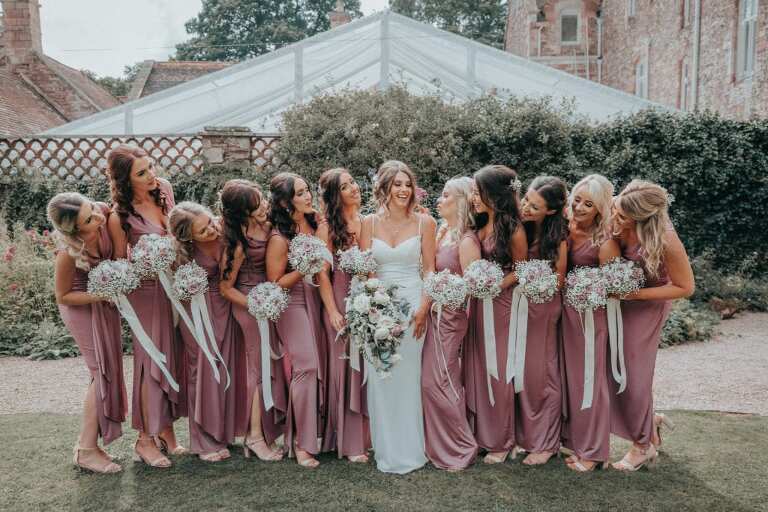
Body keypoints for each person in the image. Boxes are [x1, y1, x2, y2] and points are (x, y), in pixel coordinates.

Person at [106, 145, 186, 468]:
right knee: (150, 362)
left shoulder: (163, 190)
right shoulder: (119, 216)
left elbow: (178, 233)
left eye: (151, 166)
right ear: (126, 181)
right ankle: (144, 439)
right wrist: (146, 262)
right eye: (142, 173)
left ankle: (166, 431)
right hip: (145, 291)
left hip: (173, 287)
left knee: (172, 355)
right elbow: (117, 264)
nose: (151, 174)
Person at [610, 180, 695, 471]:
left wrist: (635, 295)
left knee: (634, 375)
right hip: (619, 303)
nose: (615, 218)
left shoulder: (666, 239)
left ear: (643, 219)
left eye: (622, 216)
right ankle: (650, 422)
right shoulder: (618, 213)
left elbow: (685, 287)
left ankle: (642, 447)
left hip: (648, 306)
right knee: (614, 369)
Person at [358, 160, 436, 474]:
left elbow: (430, 268)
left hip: (414, 302)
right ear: (385, 187)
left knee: (408, 378)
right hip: (378, 306)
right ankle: (386, 449)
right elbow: (366, 268)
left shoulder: (424, 224)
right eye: (397, 184)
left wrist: (424, 307)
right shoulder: (368, 223)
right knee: (381, 377)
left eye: (408, 184)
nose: (403, 190)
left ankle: (411, 450)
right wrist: (373, 308)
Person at [49, 193, 127, 474]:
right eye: (88, 219)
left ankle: (92, 444)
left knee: (107, 368)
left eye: (92, 208)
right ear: (75, 230)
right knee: (100, 371)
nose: (98, 217)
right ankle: (86, 450)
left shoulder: (105, 212)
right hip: (81, 306)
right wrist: (102, 294)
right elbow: (63, 295)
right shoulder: (68, 253)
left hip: (104, 300)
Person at [462, 165, 528, 464]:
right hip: (478, 304)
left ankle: (502, 440)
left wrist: (495, 286)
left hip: (501, 305)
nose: (474, 197)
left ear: (495, 195)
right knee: (478, 368)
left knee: (500, 370)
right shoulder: (477, 226)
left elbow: (522, 269)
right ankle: (482, 435)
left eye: (479, 192)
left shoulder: (513, 229)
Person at [219, 180, 285, 461]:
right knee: (258, 372)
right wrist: (256, 304)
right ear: (242, 212)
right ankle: (254, 437)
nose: (264, 206)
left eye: (262, 200)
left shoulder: (267, 224)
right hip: (248, 304)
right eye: (257, 205)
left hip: (268, 299)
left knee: (268, 368)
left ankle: (261, 433)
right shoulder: (237, 242)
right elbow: (225, 287)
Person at [265, 172, 327, 469]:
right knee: (306, 367)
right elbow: (274, 283)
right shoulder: (279, 237)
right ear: (287, 201)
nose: (308, 196)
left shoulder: (314, 222)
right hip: (292, 303)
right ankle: (303, 444)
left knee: (319, 367)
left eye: (308, 190)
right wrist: (304, 267)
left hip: (317, 300)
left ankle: (314, 436)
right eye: (301, 193)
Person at [169, 202, 237, 462]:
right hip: (195, 308)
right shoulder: (179, 252)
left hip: (222, 305)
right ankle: (203, 440)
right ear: (188, 237)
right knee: (202, 368)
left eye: (210, 222)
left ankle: (223, 432)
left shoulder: (224, 233)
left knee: (224, 367)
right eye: (203, 229)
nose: (211, 229)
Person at [560, 174, 619, 472]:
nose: (580, 207)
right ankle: (576, 440)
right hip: (564, 314)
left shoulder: (605, 240)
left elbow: (613, 286)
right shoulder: (564, 227)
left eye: (589, 204)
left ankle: (595, 452)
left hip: (590, 317)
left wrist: (591, 289)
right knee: (570, 379)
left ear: (600, 208)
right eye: (577, 200)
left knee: (590, 382)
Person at [421, 177, 479, 471]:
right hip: (434, 316)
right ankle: (439, 443)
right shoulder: (444, 231)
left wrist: (444, 291)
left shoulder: (467, 240)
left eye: (445, 195)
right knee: (435, 381)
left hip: (451, 318)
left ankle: (461, 446)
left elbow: (471, 285)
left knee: (439, 381)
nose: (439, 200)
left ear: (461, 201)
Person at [316, 168, 370, 463]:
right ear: (335, 196)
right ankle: (347, 443)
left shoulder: (367, 221)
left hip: (367, 297)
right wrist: (333, 311)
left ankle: (364, 436)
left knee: (364, 368)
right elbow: (322, 274)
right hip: (338, 297)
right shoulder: (327, 227)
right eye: (345, 186)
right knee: (344, 369)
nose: (353, 188)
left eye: (353, 182)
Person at [515, 176, 568, 465]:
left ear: (550, 211)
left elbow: (559, 279)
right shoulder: (522, 227)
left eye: (534, 206)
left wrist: (536, 282)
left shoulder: (557, 237)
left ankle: (547, 443)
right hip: (521, 305)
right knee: (524, 371)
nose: (526, 207)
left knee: (544, 373)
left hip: (544, 306)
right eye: (526, 200)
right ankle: (529, 436)